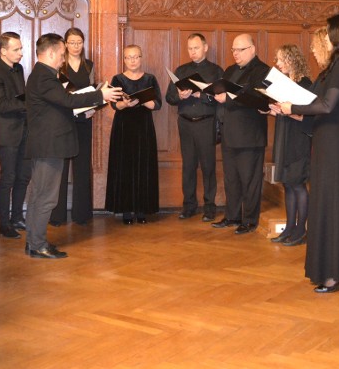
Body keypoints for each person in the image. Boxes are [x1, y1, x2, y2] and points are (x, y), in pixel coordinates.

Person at [279, 13, 339, 293]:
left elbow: (327, 106)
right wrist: (284, 107)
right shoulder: (334, 66)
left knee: (333, 205)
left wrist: (295, 109)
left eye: (328, 33)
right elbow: (313, 100)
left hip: (337, 143)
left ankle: (334, 274)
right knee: (323, 205)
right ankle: (324, 270)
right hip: (325, 140)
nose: (325, 37)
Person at [24, 33, 121, 258]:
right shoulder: (45, 76)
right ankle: (37, 245)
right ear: (49, 53)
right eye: (60, 54)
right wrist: (101, 95)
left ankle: (34, 241)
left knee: (39, 195)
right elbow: (68, 101)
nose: (62, 58)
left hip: (47, 145)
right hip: (50, 145)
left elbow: (63, 103)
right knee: (45, 197)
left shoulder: (43, 74)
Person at [212, 33, 269, 234]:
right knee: (231, 179)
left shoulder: (262, 71)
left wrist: (227, 98)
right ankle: (232, 216)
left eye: (240, 49)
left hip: (249, 135)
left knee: (250, 180)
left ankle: (250, 219)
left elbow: (256, 97)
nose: (235, 53)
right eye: (233, 50)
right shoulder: (229, 70)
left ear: (252, 49)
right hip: (229, 133)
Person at [165, 33, 223, 221]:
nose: (192, 51)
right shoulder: (181, 70)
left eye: (196, 47)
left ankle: (209, 207)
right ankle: (189, 206)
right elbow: (169, 97)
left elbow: (221, 98)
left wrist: (201, 95)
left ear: (205, 48)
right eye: (190, 48)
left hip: (206, 122)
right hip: (186, 123)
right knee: (188, 166)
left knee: (208, 166)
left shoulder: (216, 71)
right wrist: (179, 96)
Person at [105, 44, 163, 224]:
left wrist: (142, 101)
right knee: (125, 167)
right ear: (124, 59)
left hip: (144, 127)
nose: (132, 60)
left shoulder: (150, 79)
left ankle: (142, 210)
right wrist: (125, 104)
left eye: (136, 57)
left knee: (144, 165)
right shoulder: (117, 79)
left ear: (141, 58)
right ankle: (126, 211)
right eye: (129, 57)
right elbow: (114, 105)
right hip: (123, 127)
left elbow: (158, 104)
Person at [0, 32, 31, 239]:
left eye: (21, 48)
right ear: (3, 51)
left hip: (25, 130)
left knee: (23, 177)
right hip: (8, 133)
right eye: (16, 49)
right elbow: (2, 105)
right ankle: (4, 224)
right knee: (8, 178)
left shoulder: (18, 68)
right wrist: (30, 103)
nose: (21, 53)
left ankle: (17, 217)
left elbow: (20, 96)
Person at [267, 44, 312, 246]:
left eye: (280, 59)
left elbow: (306, 116)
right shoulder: (283, 84)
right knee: (287, 185)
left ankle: (301, 229)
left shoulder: (305, 83)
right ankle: (289, 228)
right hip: (284, 138)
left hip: (298, 140)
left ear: (292, 60)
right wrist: (274, 110)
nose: (277, 63)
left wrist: (288, 111)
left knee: (298, 185)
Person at [50, 28, 97, 226]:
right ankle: (57, 216)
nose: (76, 46)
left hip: (84, 121)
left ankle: (82, 214)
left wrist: (93, 108)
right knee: (60, 169)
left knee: (82, 166)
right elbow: (56, 94)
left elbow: (95, 91)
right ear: (66, 44)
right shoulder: (60, 66)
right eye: (72, 42)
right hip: (65, 121)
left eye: (79, 42)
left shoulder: (89, 65)